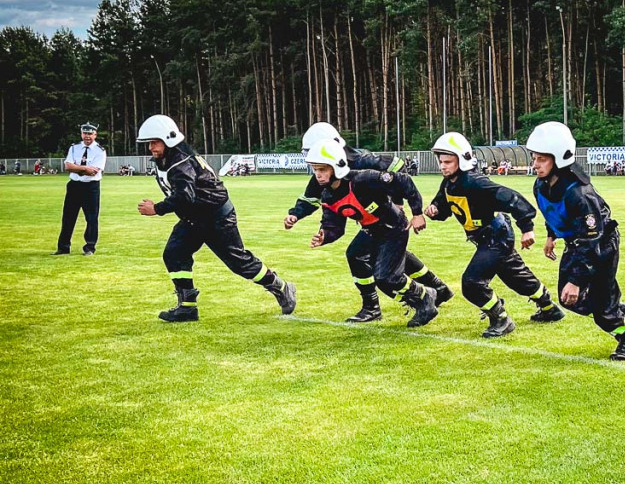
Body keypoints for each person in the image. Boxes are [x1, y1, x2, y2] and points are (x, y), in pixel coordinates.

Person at [284, 122, 451, 322]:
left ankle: (426, 296)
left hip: (391, 224)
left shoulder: (362, 170)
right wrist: (323, 233)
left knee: (386, 275)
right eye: (314, 166)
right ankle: (376, 306)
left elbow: (401, 177)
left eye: (320, 166)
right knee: (359, 255)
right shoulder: (326, 187)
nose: (316, 173)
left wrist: (405, 205)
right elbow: (330, 219)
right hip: (372, 228)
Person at [136, 115, 296, 322]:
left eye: (154, 142)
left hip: (216, 218)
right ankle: (187, 306)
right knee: (174, 253)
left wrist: (156, 209)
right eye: (149, 143)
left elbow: (186, 196)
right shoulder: (170, 157)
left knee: (240, 263)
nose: (151, 147)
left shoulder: (180, 162)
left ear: (169, 139)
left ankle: (281, 287)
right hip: (195, 218)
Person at [425, 132, 564, 337]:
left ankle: (501, 319)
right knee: (516, 276)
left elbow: (512, 198)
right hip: (490, 237)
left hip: (496, 236)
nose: (443, 166)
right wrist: (435, 210)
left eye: (448, 161)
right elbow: (445, 205)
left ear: (462, 159)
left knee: (471, 283)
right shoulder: (449, 183)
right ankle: (549, 308)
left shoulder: (475, 182)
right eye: (441, 161)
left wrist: (527, 227)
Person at [527, 121, 625, 360]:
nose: (535, 164)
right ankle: (617, 309)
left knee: (599, 309)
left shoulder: (580, 193)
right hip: (578, 245)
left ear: (559, 159)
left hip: (600, 246)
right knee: (567, 298)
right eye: (534, 158)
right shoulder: (542, 185)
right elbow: (552, 213)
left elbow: (592, 240)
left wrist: (577, 280)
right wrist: (551, 236)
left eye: (542, 159)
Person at [53, 123, 107, 256]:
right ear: (81, 134)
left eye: (90, 134)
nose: (87, 136)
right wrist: (84, 169)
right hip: (74, 186)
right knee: (68, 217)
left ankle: (89, 247)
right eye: (85, 133)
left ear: (95, 135)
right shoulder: (74, 148)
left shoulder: (100, 151)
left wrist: (76, 168)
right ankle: (63, 247)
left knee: (91, 218)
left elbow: (94, 171)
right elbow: (68, 166)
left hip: (90, 187)